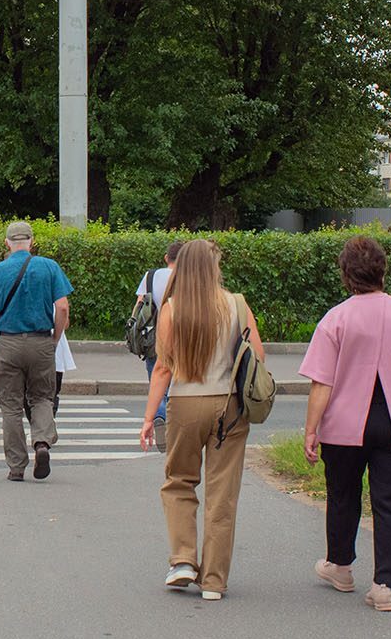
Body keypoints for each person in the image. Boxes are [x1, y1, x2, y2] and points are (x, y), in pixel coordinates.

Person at [299, 236, 391, 612]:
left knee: (343, 496)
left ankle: (341, 567)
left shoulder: (336, 318)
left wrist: (311, 429)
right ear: (383, 270)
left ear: (346, 274)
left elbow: (322, 383)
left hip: (346, 427)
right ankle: (384, 585)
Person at [139, 239, 265, 601]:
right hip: (230, 405)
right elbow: (257, 355)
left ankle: (182, 560)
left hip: (185, 403)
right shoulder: (237, 304)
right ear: (214, 267)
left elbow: (163, 367)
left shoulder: (172, 309)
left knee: (178, 481)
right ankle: (213, 581)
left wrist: (149, 417)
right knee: (222, 493)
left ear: (181, 268)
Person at [0, 221, 71, 482]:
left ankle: (16, 466)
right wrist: (55, 338)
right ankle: (41, 443)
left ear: (7, 243)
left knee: (11, 405)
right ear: (32, 241)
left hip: (8, 345)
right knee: (41, 398)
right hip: (41, 343)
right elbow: (62, 307)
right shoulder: (49, 267)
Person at [137, 241, 183, 449]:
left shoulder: (151, 276)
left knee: (156, 375)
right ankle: (173, 423)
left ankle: (159, 414)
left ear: (166, 258)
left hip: (154, 334)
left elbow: (140, 304)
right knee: (177, 380)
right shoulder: (188, 278)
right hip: (182, 335)